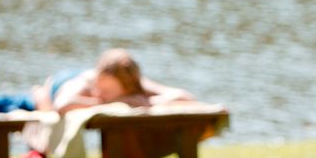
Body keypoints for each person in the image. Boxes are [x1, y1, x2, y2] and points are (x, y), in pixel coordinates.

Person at [31, 48, 194, 115]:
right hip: (53, 87)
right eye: (99, 87)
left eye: (106, 92)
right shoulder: (86, 82)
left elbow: (184, 96)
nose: (98, 94)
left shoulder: (135, 84)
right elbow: (61, 105)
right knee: (41, 104)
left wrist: (147, 101)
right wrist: (114, 102)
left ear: (126, 88)